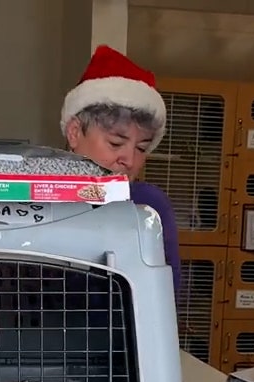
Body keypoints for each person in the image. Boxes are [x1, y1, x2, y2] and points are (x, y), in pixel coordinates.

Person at [60, 45, 181, 297]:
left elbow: (166, 296)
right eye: (115, 143)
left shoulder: (147, 206)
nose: (129, 159)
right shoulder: (34, 194)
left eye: (141, 148)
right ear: (74, 132)